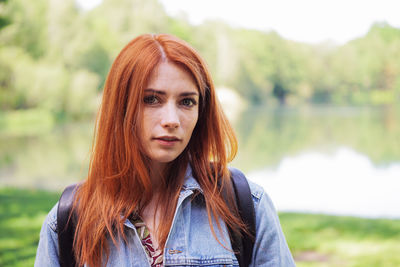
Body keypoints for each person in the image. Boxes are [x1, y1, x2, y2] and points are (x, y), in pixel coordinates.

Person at [35, 33, 295, 267]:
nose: (171, 119)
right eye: (151, 99)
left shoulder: (244, 204)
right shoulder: (69, 222)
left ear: (200, 111)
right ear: (121, 108)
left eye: (186, 102)